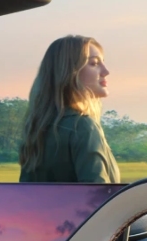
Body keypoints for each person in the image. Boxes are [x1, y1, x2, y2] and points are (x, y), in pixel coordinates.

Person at [19, 35, 120, 184]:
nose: (105, 71)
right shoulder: (82, 126)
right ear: (69, 73)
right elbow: (96, 195)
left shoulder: (36, 130)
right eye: (93, 63)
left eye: (103, 63)